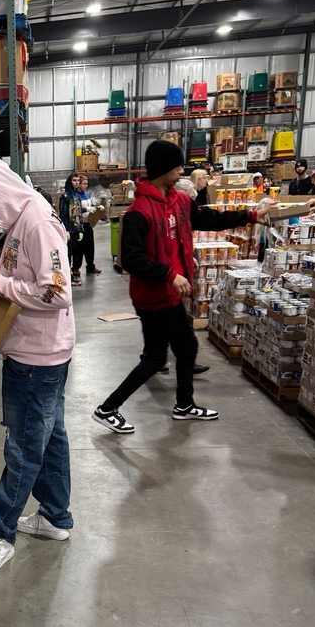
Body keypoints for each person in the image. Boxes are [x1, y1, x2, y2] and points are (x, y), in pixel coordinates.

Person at [92, 140, 270, 434]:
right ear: (163, 168)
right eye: (177, 166)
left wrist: (251, 216)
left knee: (186, 347)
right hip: (152, 297)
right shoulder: (139, 211)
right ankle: (108, 408)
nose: (181, 171)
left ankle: (184, 405)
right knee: (155, 358)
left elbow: (209, 218)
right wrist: (169, 274)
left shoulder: (180, 201)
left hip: (171, 294)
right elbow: (132, 259)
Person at [0, 152, 76, 578]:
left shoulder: (37, 222)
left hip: (36, 359)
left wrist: (0, 284)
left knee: (24, 448)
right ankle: (56, 517)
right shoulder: (21, 219)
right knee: (51, 438)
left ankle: (0, 534)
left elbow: (57, 292)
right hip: (35, 351)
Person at [59, 172, 85, 285]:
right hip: (69, 229)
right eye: (74, 180)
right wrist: (66, 229)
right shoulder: (65, 196)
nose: (76, 183)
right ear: (70, 181)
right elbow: (63, 214)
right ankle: (67, 276)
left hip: (76, 228)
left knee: (75, 252)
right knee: (67, 254)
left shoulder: (77, 195)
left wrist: (80, 229)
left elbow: (78, 213)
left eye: (78, 181)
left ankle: (71, 274)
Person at [79, 174, 101, 275]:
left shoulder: (87, 194)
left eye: (87, 184)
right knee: (79, 248)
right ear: (79, 185)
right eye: (84, 184)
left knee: (90, 246)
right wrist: (86, 209)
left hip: (88, 223)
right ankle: (75, 268)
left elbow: (90, 206)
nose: (86, 186)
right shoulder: (76, 196)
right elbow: (75, 209)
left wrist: (97, 208)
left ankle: (90, 265)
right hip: (80, 224)